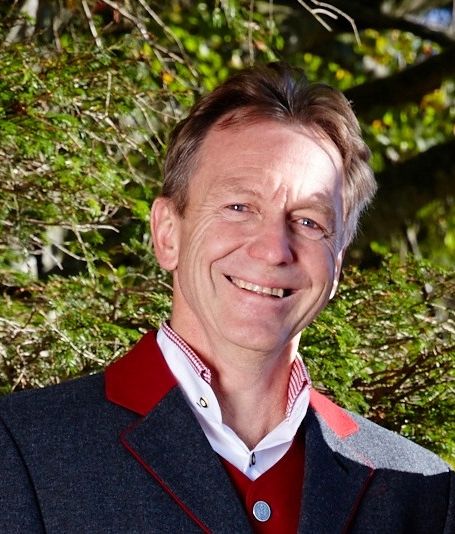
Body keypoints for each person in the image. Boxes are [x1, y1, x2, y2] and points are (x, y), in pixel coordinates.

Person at [0, 63, 453, 533]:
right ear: (167, 233)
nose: (274, 249)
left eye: (309, 222)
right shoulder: (22, 450)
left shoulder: (423, 492)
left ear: (336, 263)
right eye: (239, 207)